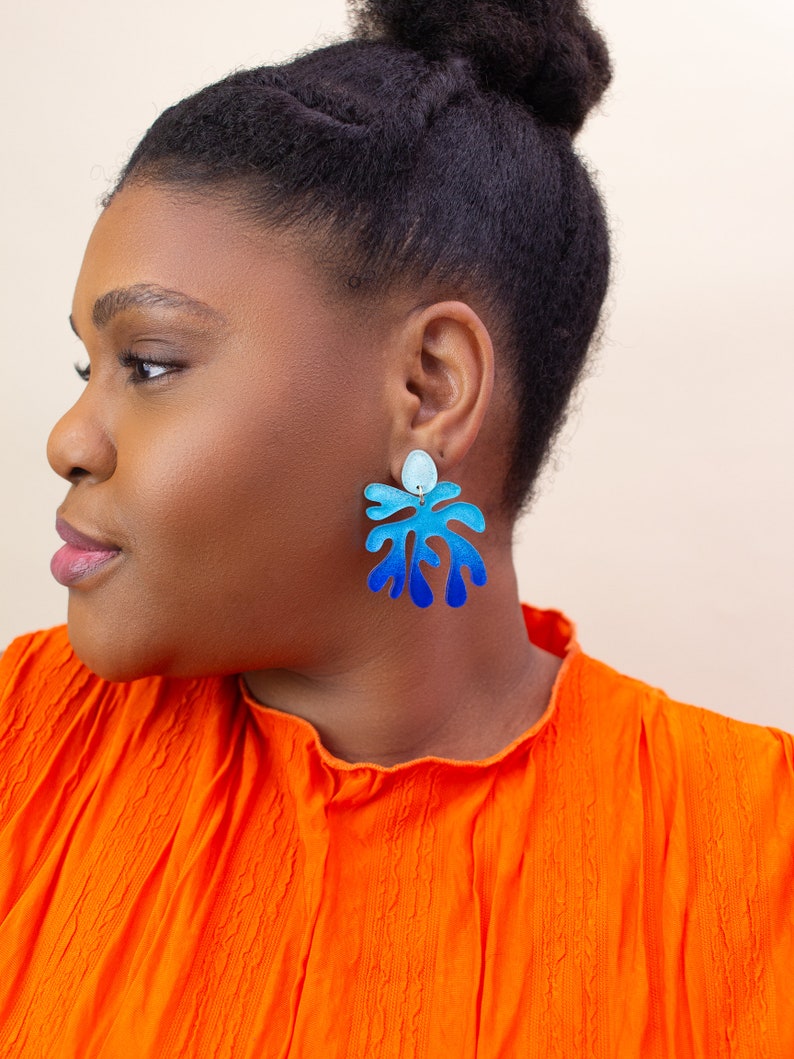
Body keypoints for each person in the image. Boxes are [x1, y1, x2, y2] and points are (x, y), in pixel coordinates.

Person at [0, 0, 791, 1055]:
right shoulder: (25, 744)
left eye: (148, 365)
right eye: (83, 370)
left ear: (426, 389)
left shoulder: (754, 863)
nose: (69, 439)